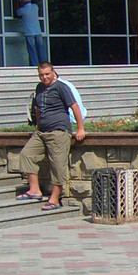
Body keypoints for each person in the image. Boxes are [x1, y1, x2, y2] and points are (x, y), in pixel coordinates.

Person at [18, 61, 86, 210]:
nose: (44, 77)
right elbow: (37, 109)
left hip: (58, 132)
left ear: (53, 72)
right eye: (41, 75)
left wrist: (80, 128)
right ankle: (34, 190)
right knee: (26, 155)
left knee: (57, 165)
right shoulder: (39, 88)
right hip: (41, 132)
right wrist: (37, 127)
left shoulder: (62, 87)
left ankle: (55, 199)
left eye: (47, 74)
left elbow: (74, 106)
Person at [14, 0, 46, 65]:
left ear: (23, 2)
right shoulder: (35, 7)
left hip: (29, 32)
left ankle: (35, 65)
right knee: (40, 49)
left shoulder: (23, 10)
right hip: (38, 31)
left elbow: (17, 12)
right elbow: (34, 1)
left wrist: (17, 1)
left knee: (32, 50)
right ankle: (43, 64)